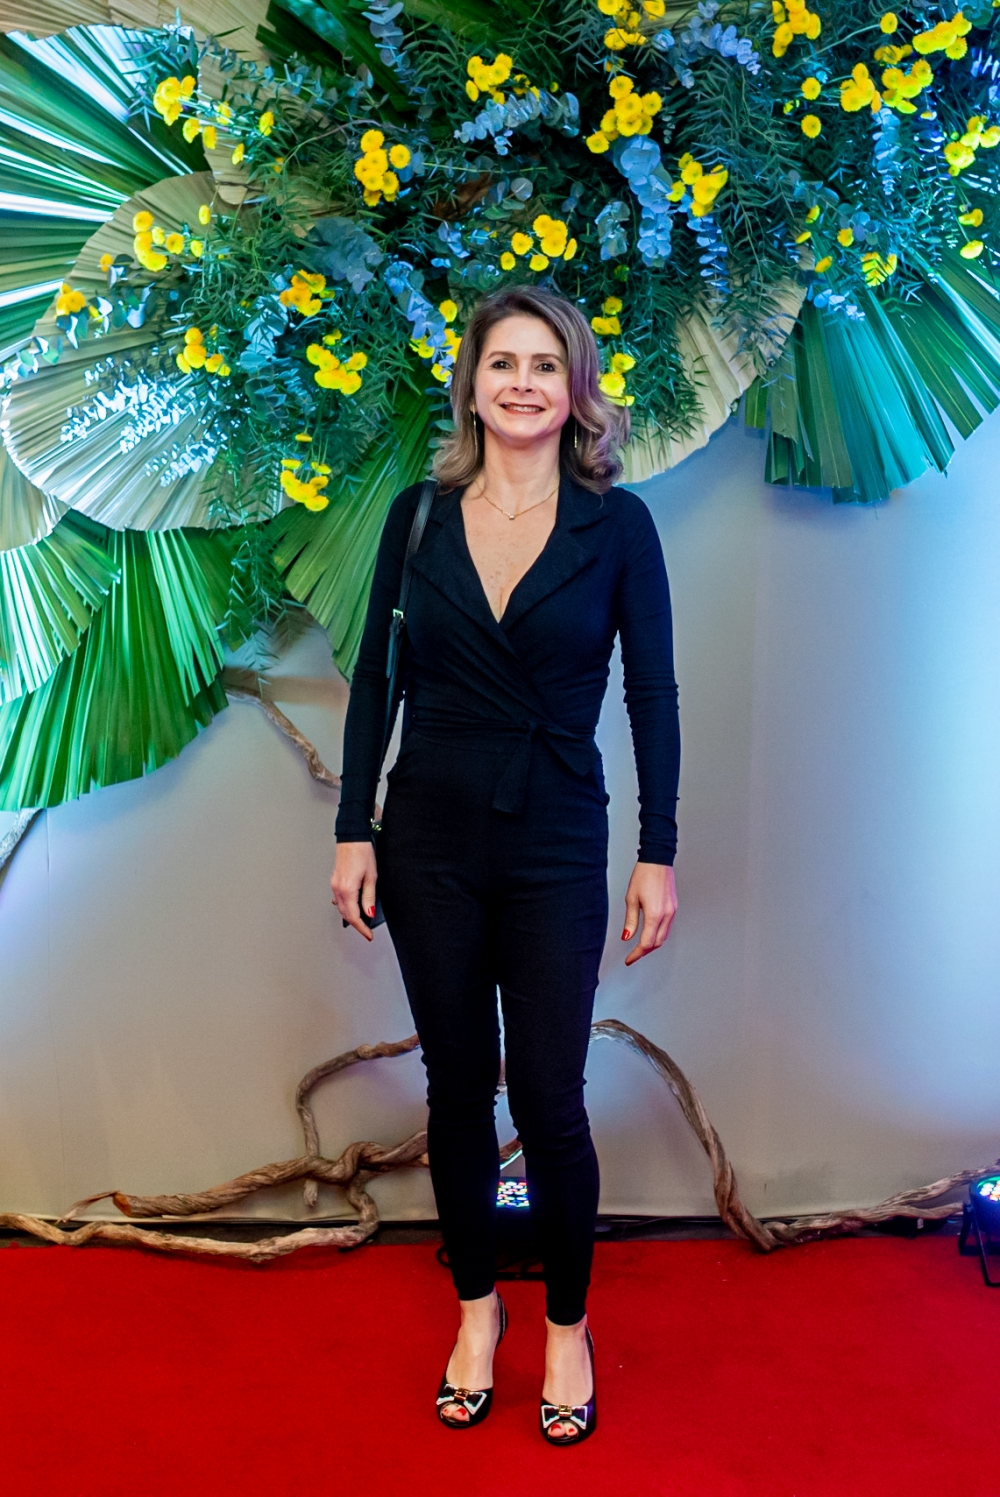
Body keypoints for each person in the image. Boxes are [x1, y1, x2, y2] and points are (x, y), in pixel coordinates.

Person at [331, 285, 679, 1445]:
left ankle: (567, 1329)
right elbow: (375, 680)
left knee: (548, 1097)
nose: (522, 383)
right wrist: (352, 828)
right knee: (454, 1089)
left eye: (544, 365)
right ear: (470, 386)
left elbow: (652, 695)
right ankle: (477, 1315)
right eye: (501, 363)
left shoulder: (618, 527)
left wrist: (658, 851)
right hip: (426, 834)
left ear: (575, 391)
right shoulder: (416, 517)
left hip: (556, 836)